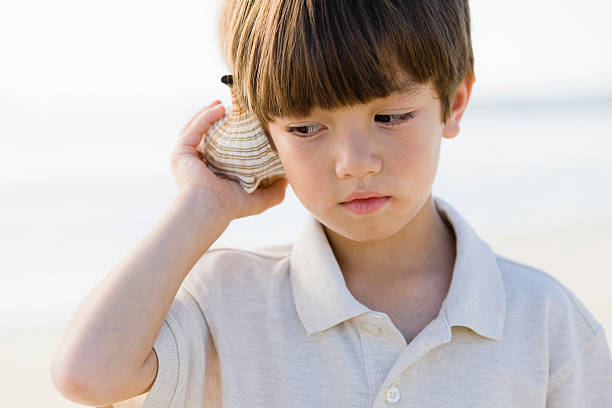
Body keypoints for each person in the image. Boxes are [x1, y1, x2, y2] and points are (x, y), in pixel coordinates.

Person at [50, 0, 612, 407]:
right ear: (261, 129)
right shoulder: (226, 301)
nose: (354, 162)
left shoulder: (545, 321)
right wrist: (204, 204)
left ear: (454, 101)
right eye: (306, 126)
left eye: (390, 117)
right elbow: (86, 375)